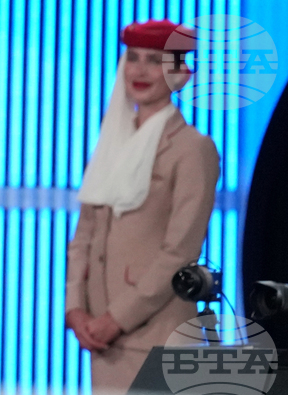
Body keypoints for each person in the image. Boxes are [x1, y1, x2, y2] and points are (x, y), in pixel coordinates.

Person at [65, 20, 220, 393]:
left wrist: (116, 319)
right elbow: (83, 235)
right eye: (133, 58)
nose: (140, 70)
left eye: (155, 60)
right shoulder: (111, 142)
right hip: (102, 337)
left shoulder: (192, 149)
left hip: (157, 333)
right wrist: (75, 309)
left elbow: (180, 251)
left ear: (181, 73)